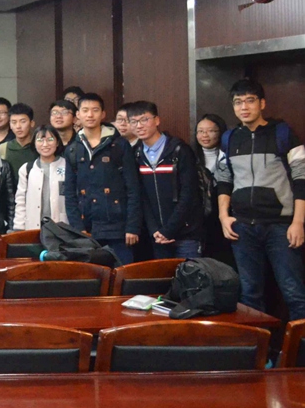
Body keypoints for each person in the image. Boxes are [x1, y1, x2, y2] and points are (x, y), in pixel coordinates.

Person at [216, 79, 305, 320]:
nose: (244, 107)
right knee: (249, 294)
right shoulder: (229, 138)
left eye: (250, 100)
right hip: (243, 227)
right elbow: (223, 180)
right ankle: (259, 345)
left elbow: (301, 179)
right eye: (238, 102)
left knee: (294, 292)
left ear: (262, 103)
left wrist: (298, 222)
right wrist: (224, 216)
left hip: (280, 226)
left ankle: (299, 344)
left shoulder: (283, 133)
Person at [63, 92, 141, 265]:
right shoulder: (73, 149)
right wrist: (78, 229)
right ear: (78, 115)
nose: (90, 115)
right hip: (87, 228)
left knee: (122, 274)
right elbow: (70, 193)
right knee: (93, 276)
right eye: (85, 110)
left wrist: (132, 226)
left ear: (103, 114)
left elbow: (133, 188)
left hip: (118, 228)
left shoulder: (119, 145)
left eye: (95, 110)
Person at [127, 101, 202, 259]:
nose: (139, 126)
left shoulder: (179, 150)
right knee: (163, 275)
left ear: (157, 120)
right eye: (133, 121)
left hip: (186, 233)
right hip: (157, 236)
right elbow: (142, 196)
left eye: (144, 119)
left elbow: (189, 194)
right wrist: (155, 230)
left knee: (190, 274)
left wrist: (169, 229)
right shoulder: (136, 154)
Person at [195, 112, 232, 264]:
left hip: (226, 216)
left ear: (221, 132)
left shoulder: (229, 155)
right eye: (200, 131)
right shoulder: (190, 156)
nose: (205, 135)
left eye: (211, 131)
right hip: (200, 220)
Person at [14, 125, 68, 230]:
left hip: (62, 227)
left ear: (57, 142)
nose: (45, 144)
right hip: (33, 227)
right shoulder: (27, 169)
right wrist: (19, 227)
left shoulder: (67, 166)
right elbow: (20, 201)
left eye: (50, 140)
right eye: (40, 140)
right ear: (34, 144)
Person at [0, 103, 38, 177]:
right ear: (10, 125)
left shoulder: (40, 147)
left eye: (23, 121)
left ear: (32, 123)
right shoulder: (3, 148)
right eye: (14, 122)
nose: (18, 126)